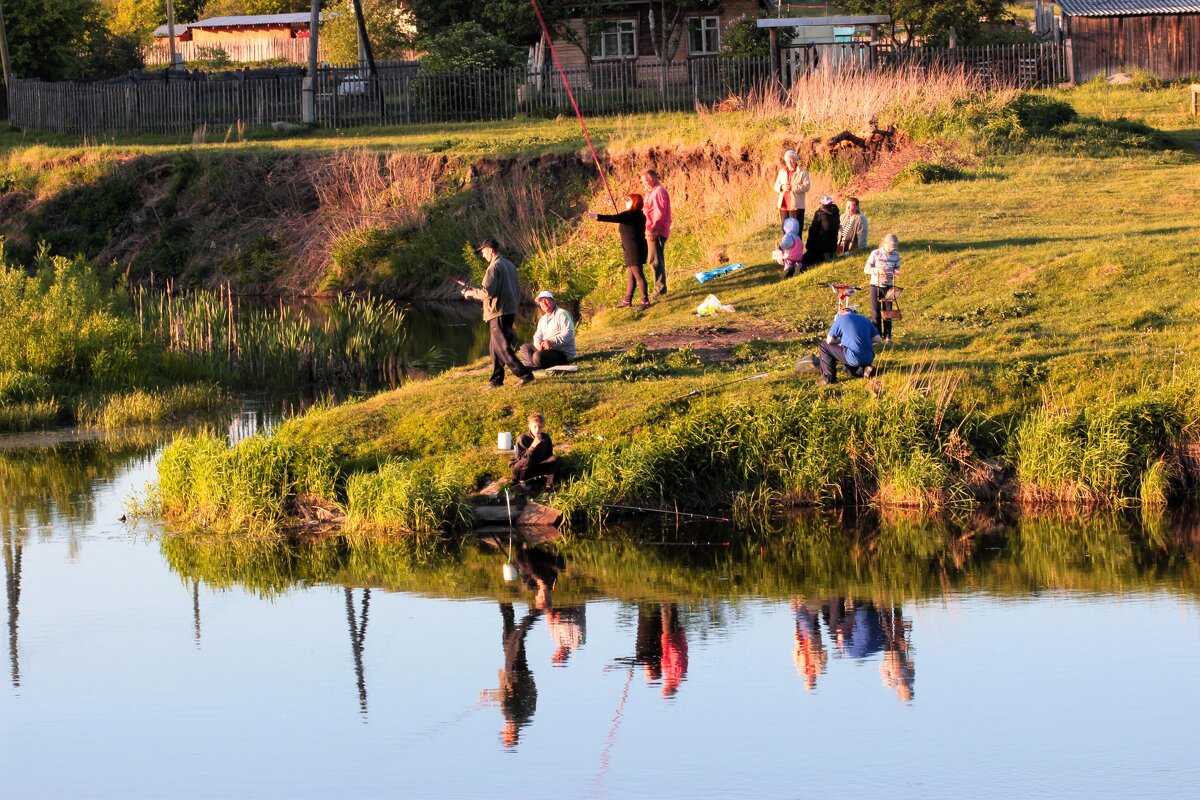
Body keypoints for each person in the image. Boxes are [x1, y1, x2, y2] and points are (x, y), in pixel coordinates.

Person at [461, 238, 534, 388]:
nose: (483, 255)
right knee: (494, 348)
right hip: (509, 310)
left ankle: (525, 375)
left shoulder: (493, 267)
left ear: (490, 250)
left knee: (502, 348)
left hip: (498, 312)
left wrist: (471, 293)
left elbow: (487, 292)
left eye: (483, 251)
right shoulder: (510, 265)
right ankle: (496, 380)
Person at [587, 194, 650, 309]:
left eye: (628, 200)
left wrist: (594, 215)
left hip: (633, 251)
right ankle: (627, 300)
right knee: (631, 277)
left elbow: (613, 218)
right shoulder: (638, 215)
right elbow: (621, 220)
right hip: (635, 249)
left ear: (634, 202)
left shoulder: (630, 215)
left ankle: (645, 301)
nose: (626, 202)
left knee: (639, 277)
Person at [798, 303, 882, 386]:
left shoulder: (841, 319)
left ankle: (828, 378)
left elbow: (829, 341)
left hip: (854, 357)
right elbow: (878, 339)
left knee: (823, 346)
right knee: (846, 368)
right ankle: (865, 370)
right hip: (869, 357)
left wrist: (843, 339)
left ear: (840, 314)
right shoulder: (865, 319)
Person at [518, 291, 575, 370]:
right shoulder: (543, 319)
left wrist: (551, 341)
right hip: (546, 350)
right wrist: (538, 344)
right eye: (541, 301)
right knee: (525, 347)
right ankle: (532, 367)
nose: (543, 303)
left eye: (546, 300)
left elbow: (569, 333)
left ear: (552, 301)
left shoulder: (562, 313)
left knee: (537, 356)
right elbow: (538, 335)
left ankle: (535, 363)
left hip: (561, 352)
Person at [864, 233, 901, 343]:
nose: (891, 250)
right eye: (890, 247)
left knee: (888, 311)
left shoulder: (896, 255)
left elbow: (897, 267)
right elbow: (866, 269)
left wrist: (896, 272)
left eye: (893, 248)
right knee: (876, 312)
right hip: (875, 285)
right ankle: (877, 336)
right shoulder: (876, 253)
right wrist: (877, 271)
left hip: (889, 286)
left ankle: (888, 336)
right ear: (885, 244)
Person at [640, 169, 672, 297]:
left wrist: (654, 229)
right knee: (653, 259)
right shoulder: (651, 192)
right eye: (643, 182)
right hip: (651, 230)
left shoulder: (659, 191)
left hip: (656, 231)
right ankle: (659, 289)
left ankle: (660, 290)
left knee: (655, 260)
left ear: (653, 178)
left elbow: (660, 213)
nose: (644, 184)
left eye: (646, 181)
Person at [510, 412, 558, 490]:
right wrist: (534, 445)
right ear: (530, 426)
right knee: (526, 460)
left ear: (543, 427)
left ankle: (549, 485)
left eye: (540, 427)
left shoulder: (546, 438)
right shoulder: (522, 438)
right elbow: (521, 459)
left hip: (536, 467)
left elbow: (549, 456)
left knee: (556, 458)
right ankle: (521, 481)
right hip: (522, 470)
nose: (537, 430)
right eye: (535, 426)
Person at [773, 149, 811, 227]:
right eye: (787, 161)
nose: (790, 163)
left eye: (791, 160)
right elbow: (776, 186)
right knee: (785, 230)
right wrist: (782, 187)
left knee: (796, 230)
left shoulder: (802, 172)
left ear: (795, 160)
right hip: (784, 205)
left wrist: (793, 188)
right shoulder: (782, 172)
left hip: (796, 206)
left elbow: (807, 186)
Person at [802, 194, 840, 267]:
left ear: (821, 203)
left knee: (805, 260)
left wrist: (809, 244)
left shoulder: (819, 213)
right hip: (833, 245)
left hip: (820, 246)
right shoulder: (836, 213)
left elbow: (813, 230)